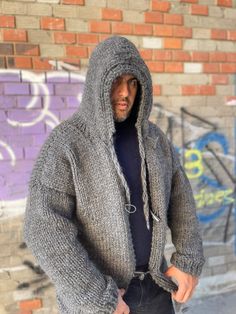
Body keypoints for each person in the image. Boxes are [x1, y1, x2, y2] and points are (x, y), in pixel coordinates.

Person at [24, 36, 205, 314]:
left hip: (156, 289)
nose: (125, 93)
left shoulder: (155, 140)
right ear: (98, 83)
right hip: (103, 299)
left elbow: (181, 200)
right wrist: (93, 295)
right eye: (116, 81)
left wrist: (187, 259)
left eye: (133, 82)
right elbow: (43, 227)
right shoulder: (66, 143)